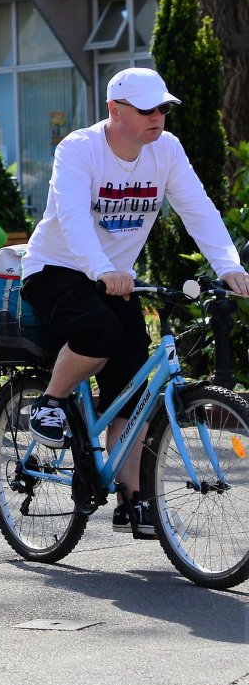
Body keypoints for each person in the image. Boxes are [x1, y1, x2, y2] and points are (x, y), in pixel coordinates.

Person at [19, 68, 249, 537]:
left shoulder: (166, 149)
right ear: (115, 111)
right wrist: (101, 268)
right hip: (57, 269)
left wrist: (229, 265)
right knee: (98, 333)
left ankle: (133, 499)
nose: (158, 117)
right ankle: (50, 400)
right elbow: (72, 214)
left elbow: (196, 206)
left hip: (114, 278)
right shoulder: (80, 149)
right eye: (147, 110)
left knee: (133, 382)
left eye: (163, 107)